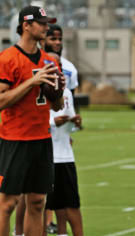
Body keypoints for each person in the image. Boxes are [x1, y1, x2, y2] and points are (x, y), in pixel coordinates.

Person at [0, 5, 64, 236]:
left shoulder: (49, 61)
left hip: (42, 138)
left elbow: (56, 107)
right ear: (26, 25)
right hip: (14, 139)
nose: (46, 27)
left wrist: (58, 94)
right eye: (42, 23)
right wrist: (31, 83)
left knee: (37, 202)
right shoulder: (8, 58)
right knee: (7, 204)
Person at [45, 70, 83, 236]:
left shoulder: (65, 91)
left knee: (70, 204)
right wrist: (54, 122)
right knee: (40, 205)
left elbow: (70, 125)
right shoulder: (34, 88)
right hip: (45, 156)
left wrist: (75, 123)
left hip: (66, 156)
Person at [44, 24, 79, 95]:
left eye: (60, 39)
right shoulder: (36, 62)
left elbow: (71, 96)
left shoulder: (70, 67)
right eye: (53, 39)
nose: (58, 42)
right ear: (42, 41)